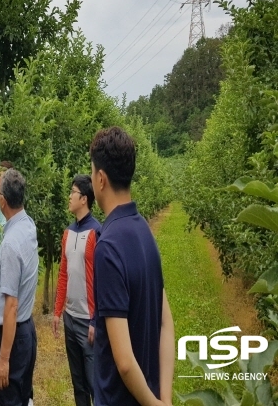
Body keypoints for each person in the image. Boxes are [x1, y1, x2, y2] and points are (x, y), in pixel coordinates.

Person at [89, 126, 175, 406]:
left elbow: (124, 362)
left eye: (92, 173)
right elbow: (166, 323)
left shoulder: (108, 246)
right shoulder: (144, 231)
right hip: (149, 391)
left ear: (101, 179)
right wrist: (164, 398)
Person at [0, 169, 38, 406]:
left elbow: (11, 306)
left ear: (3, 200)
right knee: (22, 397)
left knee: (10, 400)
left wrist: (3, 359)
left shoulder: (10, 245)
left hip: (12, 335)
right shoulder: (28, 226)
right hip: (26, 331)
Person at [52, 174, 101, 405]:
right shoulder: (68, 233)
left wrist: (95, 320)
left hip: (87, 320)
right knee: (78, 382)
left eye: (72, 192)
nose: (69, 196)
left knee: (94, 383)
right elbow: (64, 273)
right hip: (70, 319)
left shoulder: (96, 233)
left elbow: (101, 281)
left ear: (84, 199)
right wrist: (57, 311)